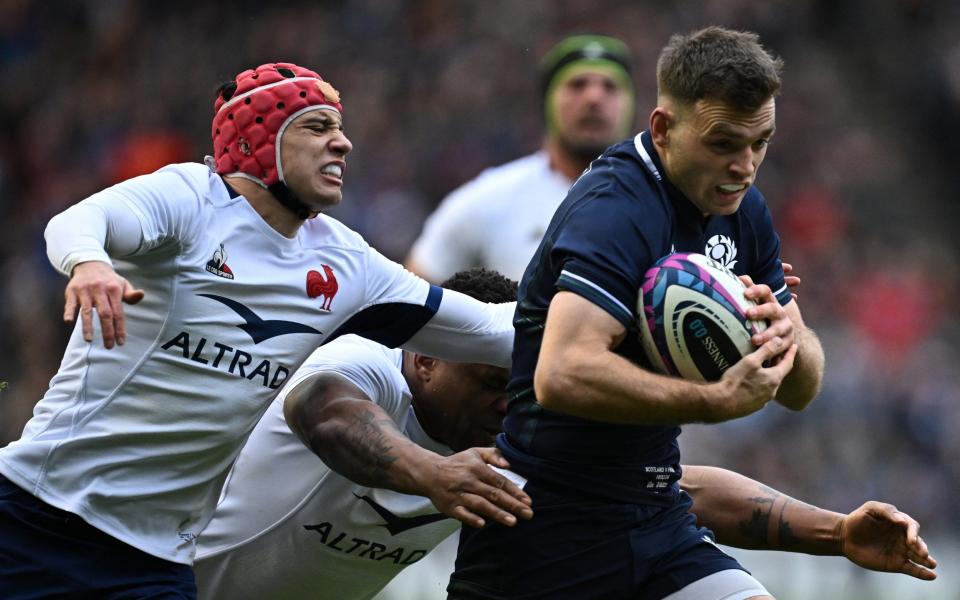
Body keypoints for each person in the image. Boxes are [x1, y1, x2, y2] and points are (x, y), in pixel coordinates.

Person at [0, 63, 531, 599]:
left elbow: (493, 328)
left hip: (153, 558)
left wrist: (600, 311)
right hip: (36, 512)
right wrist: (88, 263)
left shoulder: (347, 263)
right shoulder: (191, 199)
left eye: (340, 129)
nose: (343, 144)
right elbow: (78, 221)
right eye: (318, 127)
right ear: (259, 136)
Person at [193, 271, 935, 600]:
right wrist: (433, 474)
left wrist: (835, 531)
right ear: (425, 357)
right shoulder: (367, 361)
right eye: (489, 383)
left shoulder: (515, 428)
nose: (506, 405)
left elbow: (675, 495)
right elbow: (323, 413)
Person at [447, 27, 849, 600]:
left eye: (761, 142)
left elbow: (800, 390)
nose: (746, 165)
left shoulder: (743, 209)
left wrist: (793, 335)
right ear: (662, 128)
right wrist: (714, 401)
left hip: (659, 515)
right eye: (724, 143)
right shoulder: (616, 208)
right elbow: (562, 373)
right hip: (547, 528)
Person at [405, 34, 636, 282]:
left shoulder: (664, 199)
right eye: (577, 85)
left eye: (610, 87)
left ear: (630, 104)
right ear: (547, 102)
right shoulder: (490, 200)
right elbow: (413, 293)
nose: (594, 98)